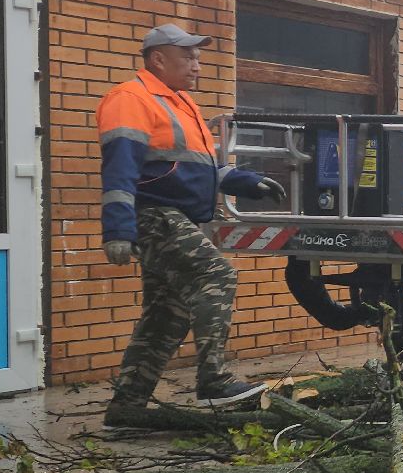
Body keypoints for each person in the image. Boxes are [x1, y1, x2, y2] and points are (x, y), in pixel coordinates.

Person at [99, 24, 286, 415]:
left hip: (176, 216)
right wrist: (117, 229)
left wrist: (248, 182)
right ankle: (214, 381)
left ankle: (128, 404)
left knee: (166, 312)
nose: (197, 65)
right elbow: (119, 169)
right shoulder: (130, 98)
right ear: (158, 59)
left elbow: (201, 169)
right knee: (216, 275)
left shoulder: (182, 104)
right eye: (188, 57)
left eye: (198, 57)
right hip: (155, 215)